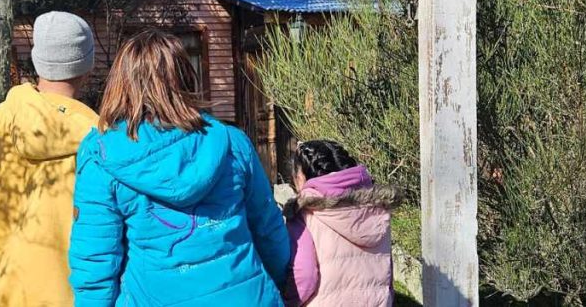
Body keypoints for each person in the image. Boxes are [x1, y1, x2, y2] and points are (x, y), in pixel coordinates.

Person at [69, 28, 289, 306]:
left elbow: (95, 262)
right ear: (186, 77)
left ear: (121, 83)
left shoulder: (103, 156)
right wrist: (282, 282)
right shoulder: (232, 142)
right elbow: (268, 230)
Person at [0, 11, 99, 307]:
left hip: (9, 284)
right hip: (74, 289)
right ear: (86, 66)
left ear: (39, 60)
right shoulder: (98, 135)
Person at [283, 140, 402, 307]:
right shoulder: (378, 210)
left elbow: (305, 277)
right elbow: (387, 274)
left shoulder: (305, 212)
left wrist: (284, 302)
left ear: (301, 176)